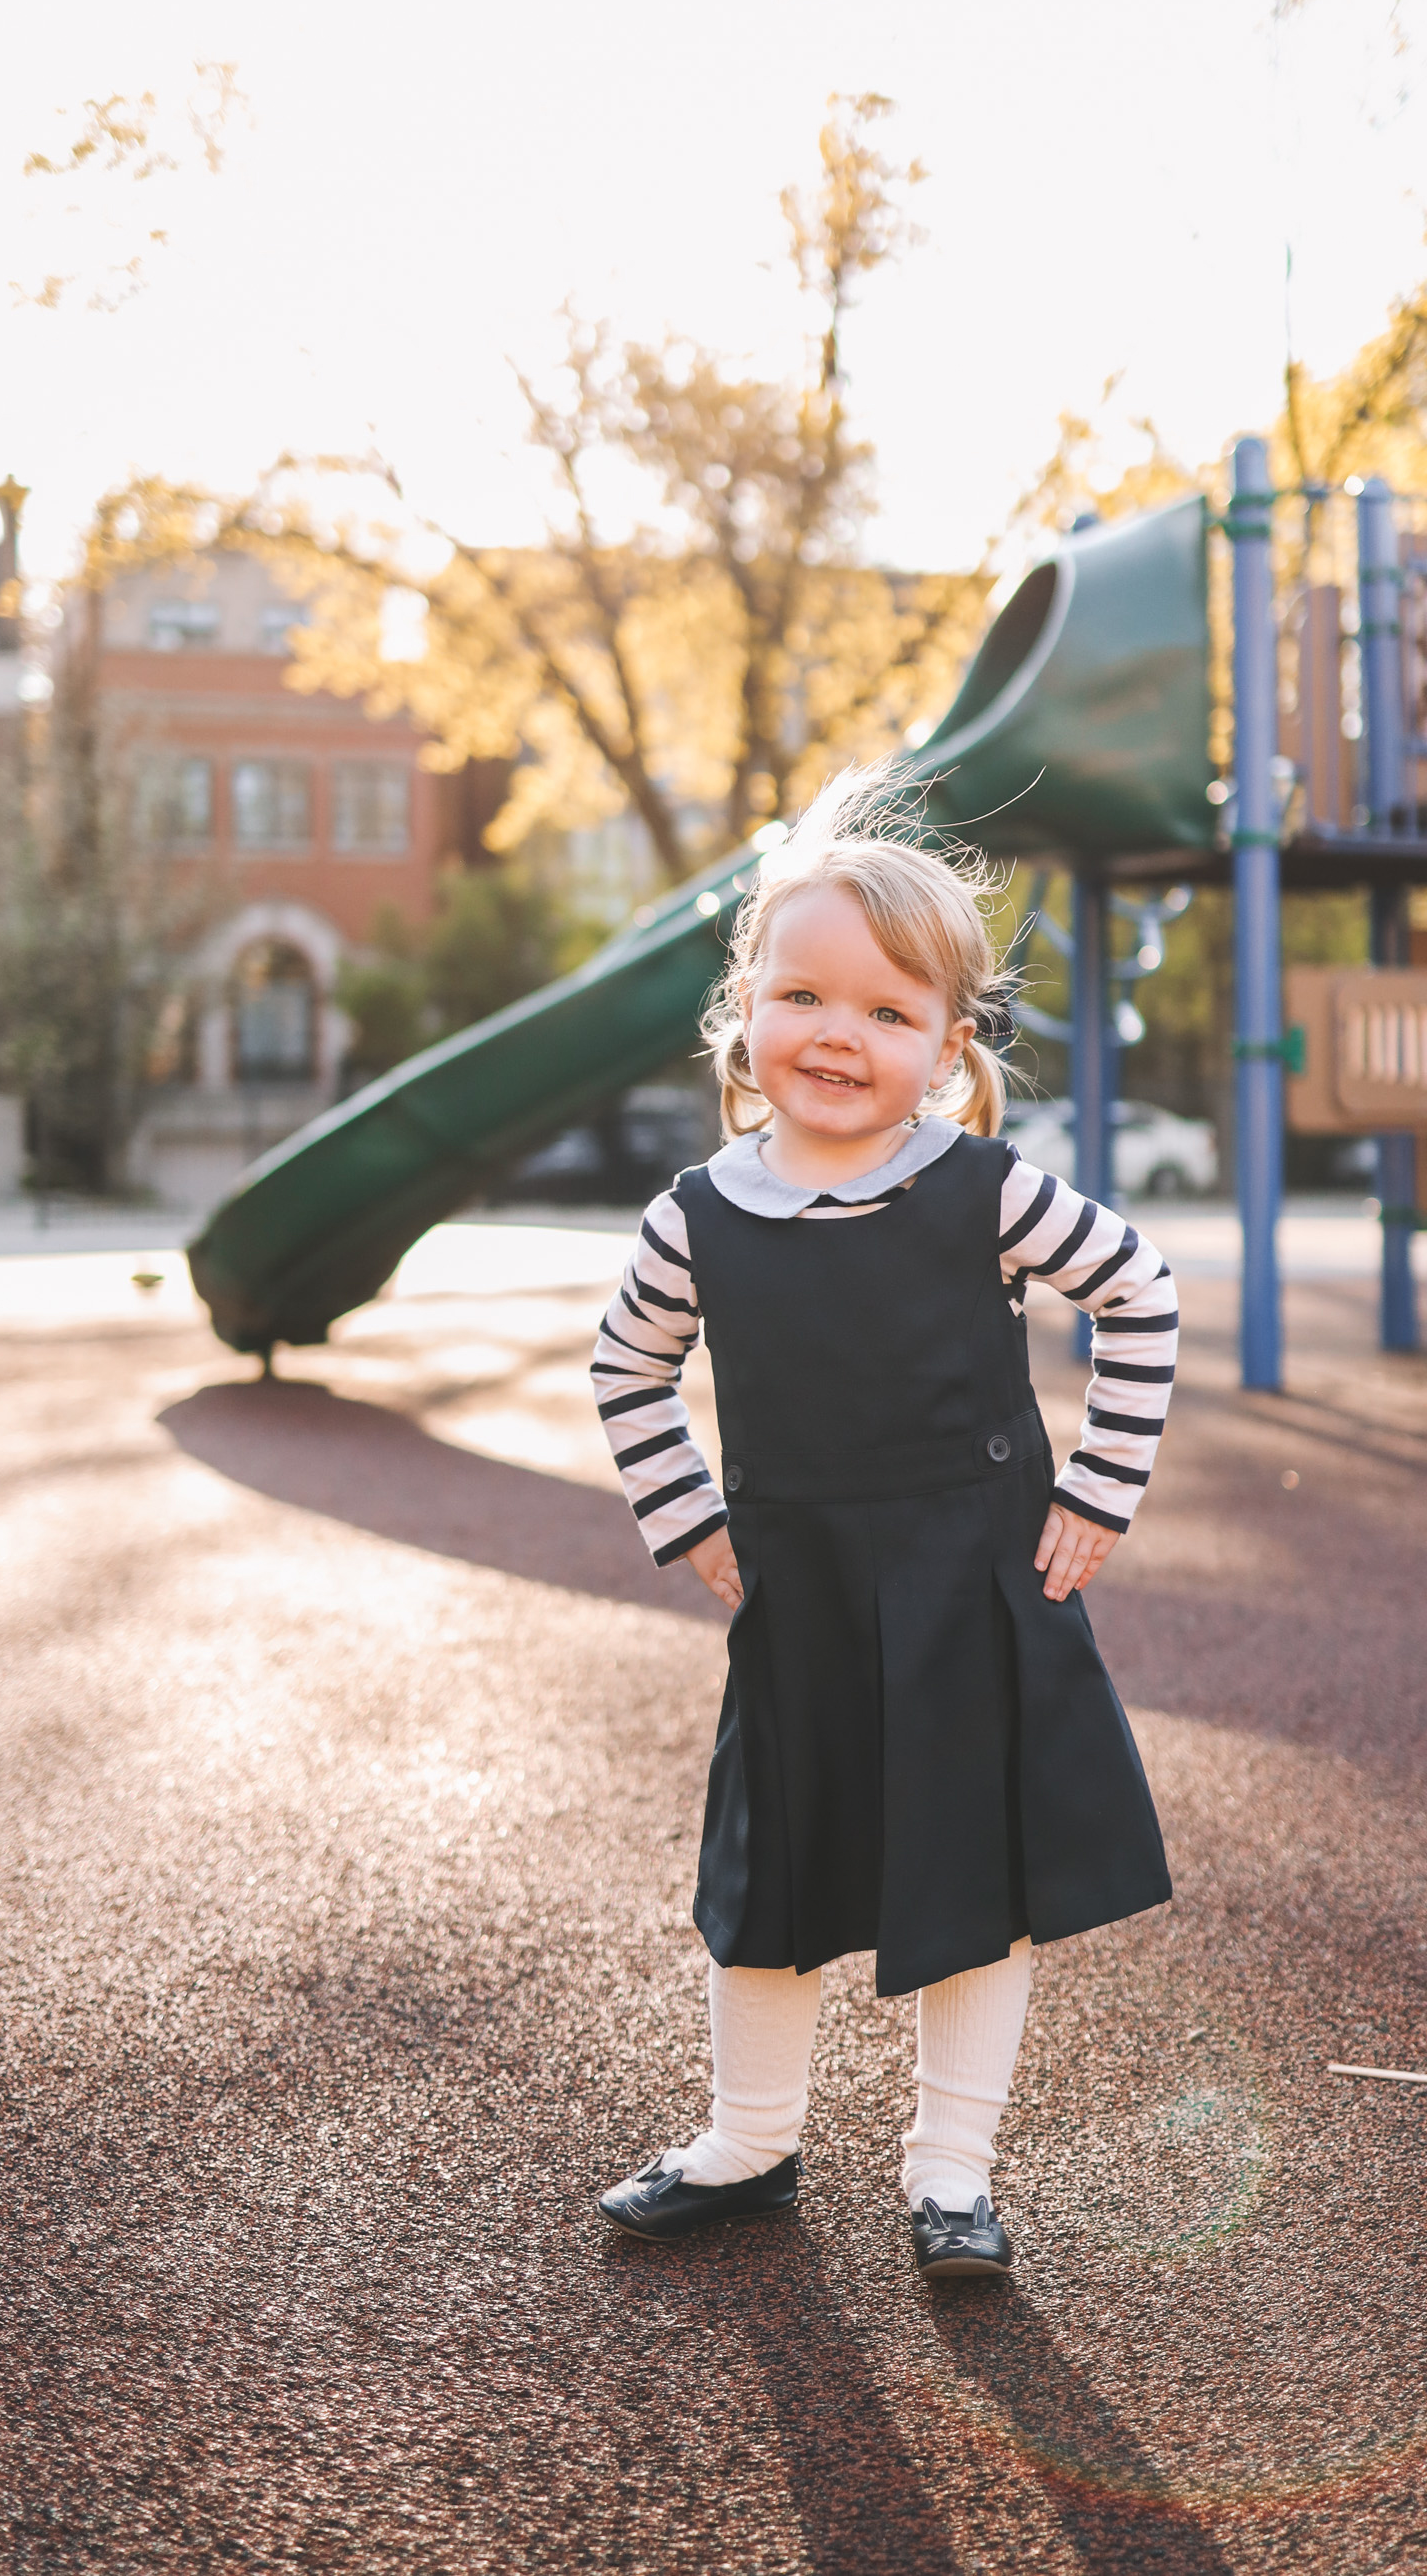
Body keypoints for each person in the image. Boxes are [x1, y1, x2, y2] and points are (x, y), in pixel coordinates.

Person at [589, 773, 1176, 2281]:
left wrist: (1099, 1491)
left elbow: (1141, 1293)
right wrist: (693, 1515)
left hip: (975, 1580)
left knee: (976, 1883)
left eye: (887, 1012)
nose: (839, 1035)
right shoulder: (699, 1213)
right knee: (769, 1876)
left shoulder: (983, 1192)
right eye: (801, 994)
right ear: (745, 1013)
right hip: (801, 1580)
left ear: (946, 1047)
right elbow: (627, 1368)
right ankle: (749, 2141)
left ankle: (951, 2175)